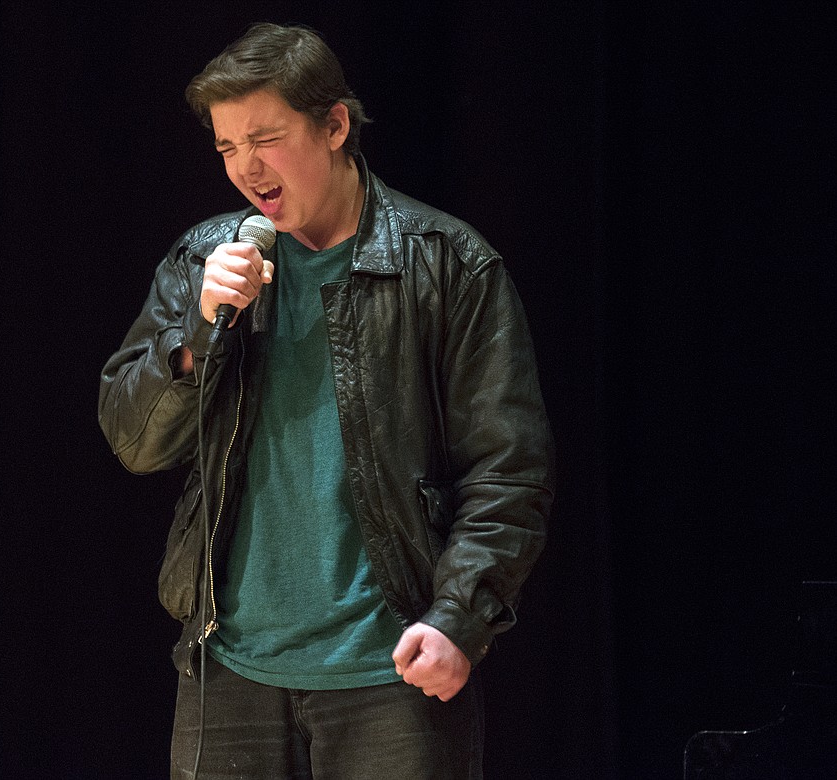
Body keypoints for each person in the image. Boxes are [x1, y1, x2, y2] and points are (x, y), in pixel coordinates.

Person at [98, 22, 553, 779]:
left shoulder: (447, 265)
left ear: (335, 124)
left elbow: (509, 473)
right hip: (229, 672)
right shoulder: (202, 261)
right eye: (226, 147)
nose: (246, 168)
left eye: (265, 139)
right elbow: (133, 442)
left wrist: (458, 621)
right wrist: (194, 339)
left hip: (390, 679)